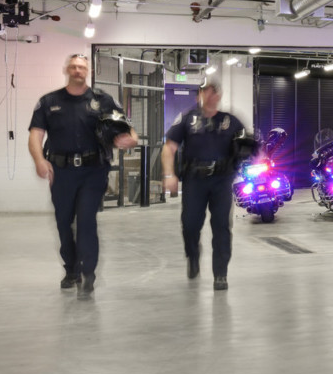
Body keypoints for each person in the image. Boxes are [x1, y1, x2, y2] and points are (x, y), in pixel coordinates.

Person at [27, 52, 140, 296]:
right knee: (64, 223)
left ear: (87, 71)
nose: (78, 71)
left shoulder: (103, 99)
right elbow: (35, 134)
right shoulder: (49, 101)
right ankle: (71, 269)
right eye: (74, 67)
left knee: (87, 221)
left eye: (82, 67)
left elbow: (129, 130)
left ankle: (88, 273)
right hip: (61, 172)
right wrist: (39, 160)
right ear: (67, 69)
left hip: (93, 171)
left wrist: (129, 140)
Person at [162, 79, 248, 291]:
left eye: (215, 92)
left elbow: (248, 145)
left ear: (219, 96)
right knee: (190, 225)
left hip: (221, 180)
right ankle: (192, 255)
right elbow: (169, 148)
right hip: (194, 180)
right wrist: (169, 174)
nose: (212, 95)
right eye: (207, 91)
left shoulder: (231, 121)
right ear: (200, 94)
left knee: (221, 227)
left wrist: (248, 154)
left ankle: (220, 273)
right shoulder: (187, 118)